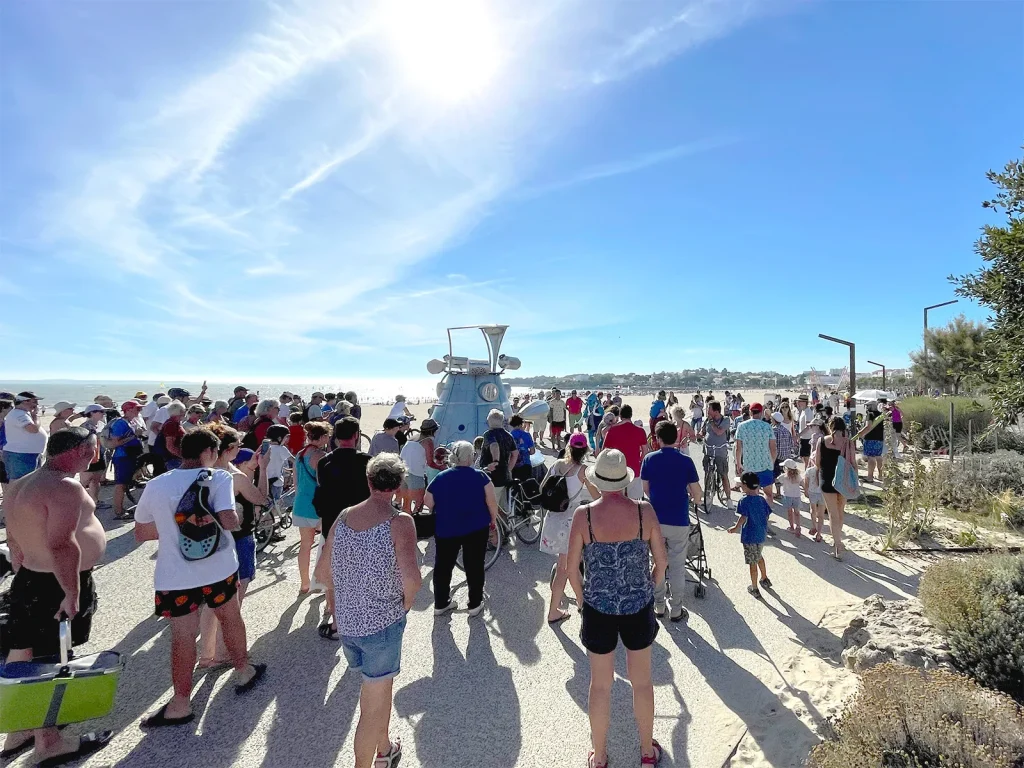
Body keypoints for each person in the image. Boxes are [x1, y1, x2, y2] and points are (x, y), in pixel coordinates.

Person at [134, 428, 265, 727]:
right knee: (230, 617)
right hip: (219, 568)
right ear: (209, 452)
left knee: (182, 637)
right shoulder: (218, 477)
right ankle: (243, 670)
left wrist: (174, 530)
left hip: (175, 576)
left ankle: (180, 703)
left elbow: (141, 533)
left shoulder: (156, 485)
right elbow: (231, 521)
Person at [1, 428, 112, 764]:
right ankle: (48, 742)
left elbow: (15, 534)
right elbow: (62, 544)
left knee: (22, 652)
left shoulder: (22, 484)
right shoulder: (64, 486)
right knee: (49, 661)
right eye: (94, 449)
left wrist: (23, 571)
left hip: (31, 580)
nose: (96, 455)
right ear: (81, 450)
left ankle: (20, 729)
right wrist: (72, 593)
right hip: (55, 584)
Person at [313, 454, 421, 768]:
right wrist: (405, 606)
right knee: (371, 706)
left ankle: (385, 747)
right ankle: (367, 763)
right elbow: (412, 579)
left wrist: (337, 608)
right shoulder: (400, 521)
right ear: (399, 485)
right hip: (382, 624)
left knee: (376, 689)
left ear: (369, 480)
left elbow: (323, 573)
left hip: (348, 624)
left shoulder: (344, 517)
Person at [565, 449, 667, 768]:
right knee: (642, 682)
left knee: (600, 686)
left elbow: (571, 569)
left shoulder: (585, 515)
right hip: (638, 606)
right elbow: (661, 562)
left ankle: (600, 756)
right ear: (624, 480)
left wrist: (583, 601)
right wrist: (649, 585)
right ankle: (646, 752)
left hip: (599, 609)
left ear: (598, 481)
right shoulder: (643, 512)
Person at [197, 429, 270, 668]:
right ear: (228, 449)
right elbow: (260, 498)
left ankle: (206, 654)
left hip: (210, 541)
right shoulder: (233, 477)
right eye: (237, 445)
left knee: (211, 602)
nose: (240, 448)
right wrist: (263, 468)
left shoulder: (201, 474)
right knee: (233, 602)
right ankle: (222, 653)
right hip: (239, 540)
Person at [313, 417, 372, 639]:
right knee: (363, 575)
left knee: (334, 579)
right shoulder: (368, 461)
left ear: (336, 437)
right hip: (363, 526)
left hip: (333, 528)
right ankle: (363, 619)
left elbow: (320, 499)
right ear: (356, 436)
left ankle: (338, 626)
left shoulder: (324, 463)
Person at [425, 441, 499, 617]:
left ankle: (441, 603)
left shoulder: (441, 477)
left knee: (443, 566)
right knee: (474, 565)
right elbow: (492, 502)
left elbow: (428, 501)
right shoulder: (481, 477)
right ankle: (474, 604)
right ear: (470, 457)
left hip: (446, 528)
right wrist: (493, 521)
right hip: (476, 528)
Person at [641, 421, 702, 622]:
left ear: (658, 439)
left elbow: (646, 490)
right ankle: (676, 608)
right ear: (675, 438)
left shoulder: (649, 459)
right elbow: (698, 494)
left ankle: (659, 605)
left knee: (658, 562)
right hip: (679, 519)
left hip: (655, 520)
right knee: (677, 565)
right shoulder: (685, 461)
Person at [540, 434, 598, 624]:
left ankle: (579, 604)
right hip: (570, 523)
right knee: (566, 568)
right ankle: (558, 610)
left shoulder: (556, 465)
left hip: (553, 520)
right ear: (585, 450)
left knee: (568, 566)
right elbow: (596, 496)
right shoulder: (583, 471)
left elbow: (543, 488)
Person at [293, 421, 330, 592]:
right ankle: (320, 582)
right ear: (322, 437)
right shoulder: (321, 456)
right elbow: (325, 483)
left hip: (301, 504)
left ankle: (304, 583)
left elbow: (296, 483)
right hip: (317, 506)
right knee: (325, 544)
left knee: (305, 545)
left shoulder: (300, 454)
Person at [816, 416, 855, 560]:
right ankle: (838, 541)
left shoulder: (822, 441)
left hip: (827, 480)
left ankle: (837, 544)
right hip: (843, 481)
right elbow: (852, 462)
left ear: (831, 426)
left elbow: (817, 462)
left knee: (832, 513)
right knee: (840, 511)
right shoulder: (848, 442)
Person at [728, 472, 773, 598]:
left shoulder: (744, 501)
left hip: (750, 536)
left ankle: (754, 587)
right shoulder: (762, 500)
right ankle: (764, 578)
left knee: (752, 562)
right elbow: (767, 514)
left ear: (745, 486)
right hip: (761, 534)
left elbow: (743, 517)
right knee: (759, 556)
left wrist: (736, 528)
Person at [601, 404, 648, 500]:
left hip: (617, 471)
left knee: (618, 503)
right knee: (634, 502)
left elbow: (604, 453)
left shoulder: (612, 431)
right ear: (631, 415)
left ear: (620, 416)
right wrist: (638, 460)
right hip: (634, 469)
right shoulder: (640, 431)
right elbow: (645, 451)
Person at [735, 403, 777, 507]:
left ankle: (753, 515)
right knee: (768, 494)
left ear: (750, 412)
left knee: (751, 494)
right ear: (762, 412)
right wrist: (772, 462)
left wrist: (738, 464)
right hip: (765, 465)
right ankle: (765, 516)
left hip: (749, 466)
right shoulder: (767, 427)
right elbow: (773, 448)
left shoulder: (742, 426)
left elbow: (738, 448)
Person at [2, 392, 47, 481]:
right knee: (23, 483)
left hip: (26, 453)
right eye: (34, 402)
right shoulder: (19, 414)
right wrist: (36, 416)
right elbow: (33, 429)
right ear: (25, 401)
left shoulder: (22, 413)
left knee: (29, 482)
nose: (37, 404)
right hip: (21, 455)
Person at [481, 408, 518, 512]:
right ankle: (505, 527)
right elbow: (515, 454)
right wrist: (509, 468)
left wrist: (495, 461)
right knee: (502, 507)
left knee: (491, 508)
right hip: (505, 476)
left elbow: (494, 445)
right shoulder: (508, 435)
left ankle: (493, 527)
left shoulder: (489, 434)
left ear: (489, 421)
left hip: (492, 476)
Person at [699, 401, 733, 509]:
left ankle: (728, 498)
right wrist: (699, 435)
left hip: (720, 452)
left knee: (723, 475)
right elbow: (702, 432)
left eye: (709, 409)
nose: (707, 411)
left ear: (716, 411)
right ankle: (708, 494)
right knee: (707, 473)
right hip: (708, 451)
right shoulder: (707, 420)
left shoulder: (725, 420)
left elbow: (719, 432)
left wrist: (712, 422)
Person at [78, 404, 110, 509]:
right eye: (101, 411)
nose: (103, 414)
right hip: (89, 456)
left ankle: (95, 501)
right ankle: (79, 501)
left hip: (101, 454)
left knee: (96, 479)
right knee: (85, 480)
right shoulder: (84, 426)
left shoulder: (102, 424)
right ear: (92, 413)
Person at [398, 420, 429, 513]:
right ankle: (416, 524)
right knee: (419, 503)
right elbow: (430, 461)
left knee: (406, 504)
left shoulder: (412, 438)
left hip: (404, 471)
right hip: (415, 473)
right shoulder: (427, 441)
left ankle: (406, 524)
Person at [857, 407, 887, 484]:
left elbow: (868, 426)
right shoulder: (881, 414)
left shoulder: (870, 414)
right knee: (878, 456)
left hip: (870, 438)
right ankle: (880, 475)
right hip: (879, 439)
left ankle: (870, 477)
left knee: (871, 457)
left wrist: (860, 433)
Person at [779, 458, 804, 537]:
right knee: (797, 512)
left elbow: (778, 480)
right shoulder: (798, 476)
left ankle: (792, 527)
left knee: (790, 513)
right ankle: (798, 526)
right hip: (796, 496)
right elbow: (803, 484)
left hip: (787, 496)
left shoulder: (783, 476)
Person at [803, 458, 825, 543]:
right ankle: (819, 534)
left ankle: (814, 526)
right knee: (821, 514)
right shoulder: (825, 470)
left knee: (813, 511)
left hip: (812, 492)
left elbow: (806, 482)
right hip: (823, 493)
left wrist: (805, 491)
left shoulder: (809, 470)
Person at [508, 415, 536, 482]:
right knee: (526, 486)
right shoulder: (527, 435)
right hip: (526, 464)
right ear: (521, 424)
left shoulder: (508, 436)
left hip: (513, 465)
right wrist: (526, 453)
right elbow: (532, 451)